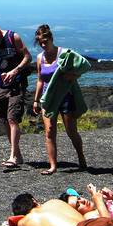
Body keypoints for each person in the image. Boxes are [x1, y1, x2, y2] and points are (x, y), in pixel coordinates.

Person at [31, 24, 90, 175]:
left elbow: (83, 66)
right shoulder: (40, 58)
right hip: (48, 98)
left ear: (51, 39)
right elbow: (40, 79)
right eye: (40, 43)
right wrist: (36, 100)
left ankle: (81, 157)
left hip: (65, 97)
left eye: (45, 42)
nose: (43, 45)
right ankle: (53, 166)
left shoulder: (64, 54)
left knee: (71, 131)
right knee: (49, 131)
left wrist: (74, 75)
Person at [0, 16, 32, 169]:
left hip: (17, 83)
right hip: (0, 86)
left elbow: (28, 57)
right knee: (4, 119)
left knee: (12, 118)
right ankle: (17, 154)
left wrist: (15, 71)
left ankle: (13, 156)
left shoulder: (12, 37)